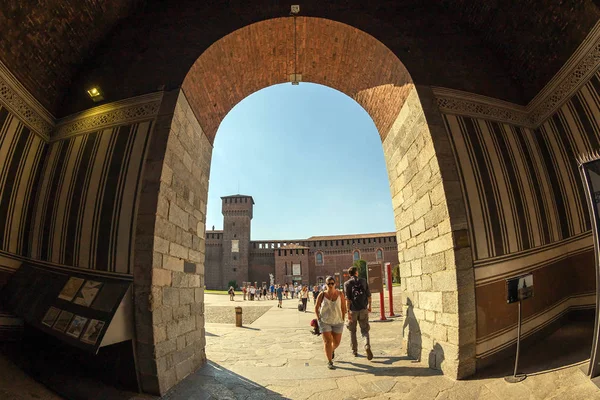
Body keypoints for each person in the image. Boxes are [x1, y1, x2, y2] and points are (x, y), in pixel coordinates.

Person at [315, 276, 346, 369]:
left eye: (332, 283)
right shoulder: (322, 295)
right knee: (328, 341)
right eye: (329, 284)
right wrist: (318, 319)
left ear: (335, 284)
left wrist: (343, 318)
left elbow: (344, 307)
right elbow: (316, 307)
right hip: (325, 321)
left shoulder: (340, 294)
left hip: (338, 321)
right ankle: (329, 361)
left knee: (336, 342)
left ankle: (331, 350)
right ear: (326, 285)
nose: (331, 285)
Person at [344, 266, 373, 360]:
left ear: (349, 274)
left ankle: (355, 350)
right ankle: (367, 345)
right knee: (365, 330)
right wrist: (369, 307)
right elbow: (369, 295)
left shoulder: (347, 283)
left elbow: (348, 299)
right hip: (363, 309)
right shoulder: (363, 281)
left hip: (353, 310)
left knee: (352, 331)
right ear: (356, 273)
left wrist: (348, 311)